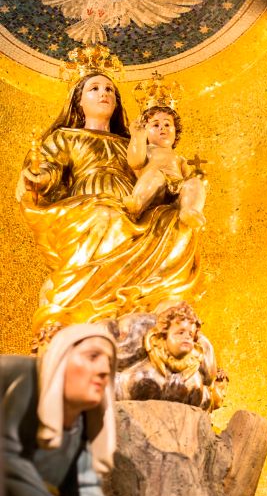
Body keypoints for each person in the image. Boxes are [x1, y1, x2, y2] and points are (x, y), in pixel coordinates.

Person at [16, 72, 202, 346]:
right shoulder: (66, 136)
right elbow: (48, 169)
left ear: (117, 102)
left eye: (109, 90)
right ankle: (86, 312)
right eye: (94, 88)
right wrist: (38, 176)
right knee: (105, 215)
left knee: (175, 225)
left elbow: (154, 172)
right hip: (88, 203)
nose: (104, 93)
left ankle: (154, 312)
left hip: (132, 206)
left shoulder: (132, 143)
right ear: (78, 101)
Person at [1, 323, 138, 496]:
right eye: (93, 356)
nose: (104, 370)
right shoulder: (28, 379)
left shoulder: (81, 419)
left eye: (109, 362)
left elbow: (83, 482)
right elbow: (6, 452)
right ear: (60, 359)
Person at [110, 302, 226, 410]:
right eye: (180, 332)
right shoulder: (136, 336)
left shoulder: (199, 366)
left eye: (190, 334)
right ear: (163, 335)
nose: (186, 337)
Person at [123, 105, 206, 229]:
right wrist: (137, 136)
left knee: (195, 182)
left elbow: (188, 178)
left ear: (176, 131)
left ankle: (190, 211)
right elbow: (135, 162)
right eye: (155, 125)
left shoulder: (179, 159)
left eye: (167, 124)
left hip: (176, 190)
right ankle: (138, 202)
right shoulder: (145, 150)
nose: (162, 128)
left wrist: (195, 183)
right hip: (155, 189)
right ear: (145, 130)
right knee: (155, 175)